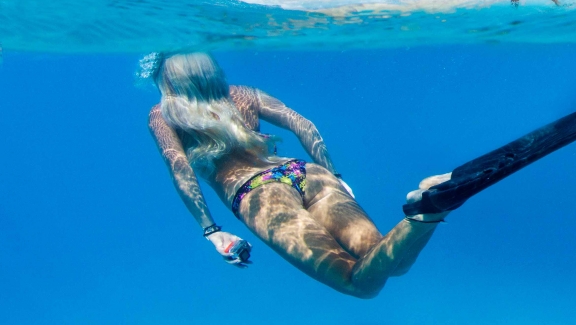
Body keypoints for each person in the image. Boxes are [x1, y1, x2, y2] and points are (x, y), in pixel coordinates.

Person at [148, 53, 447, 299]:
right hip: (306, 171)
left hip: (258, 194)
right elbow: (302, 123)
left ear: (169, 80)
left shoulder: (163, 114)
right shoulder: (243, 93)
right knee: (392, 261)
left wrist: (211, 231)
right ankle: (426, 208)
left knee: (360, 283)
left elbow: (180, 168)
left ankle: (426, 211)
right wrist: (334, 173)